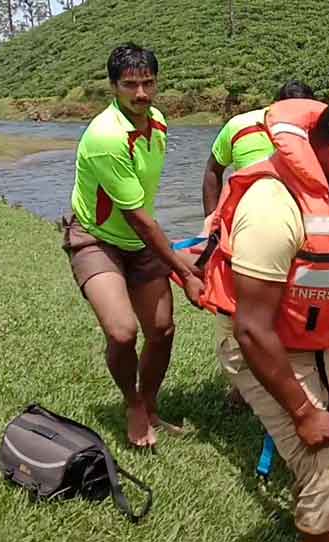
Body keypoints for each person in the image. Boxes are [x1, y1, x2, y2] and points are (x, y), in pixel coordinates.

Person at [207, 94, 329, 541]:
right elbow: (251, 330)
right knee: (324, 470)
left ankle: (319, 495)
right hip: (262, 344)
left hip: (321, 340)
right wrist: (302, 412)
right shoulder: (272, 208)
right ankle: (321, 510)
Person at [61, 43, 204, 449]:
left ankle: (151, 402)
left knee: (161, 329)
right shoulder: (106, 136)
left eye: (148, 83)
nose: (141, 94)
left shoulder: (157, 122)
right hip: (97, 237)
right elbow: (139, 218)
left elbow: (144, 209)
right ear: (113, 87)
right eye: (130, 85)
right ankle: (131, 404)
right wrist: (184, 271)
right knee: (123, 332)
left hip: (138, 240)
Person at [201, 80, 316, 216]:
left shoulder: (317, 131)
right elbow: (213, 170)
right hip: (247, 217)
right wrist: (211, 221)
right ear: (273, 108)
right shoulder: (239, 126)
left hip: (300, 218)